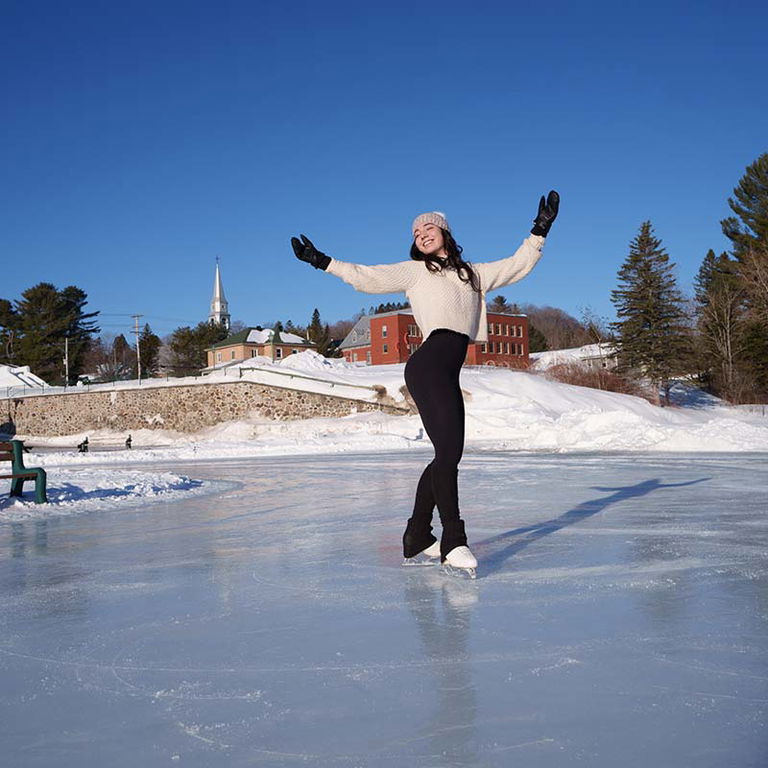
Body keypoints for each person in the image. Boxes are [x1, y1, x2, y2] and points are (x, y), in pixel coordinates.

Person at [291, 192, 559, 574]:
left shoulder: (474, 273)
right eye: (416, 231)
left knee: (447, 455)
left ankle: (418, 534)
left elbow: (517, 266)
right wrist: (323, 262)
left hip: (449, 368)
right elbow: (368, 277)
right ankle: (454, 540)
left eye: (428, 227)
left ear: (445, 232)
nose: (421, 234)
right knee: (448, 456)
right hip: (428, 363)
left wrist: (540, 230)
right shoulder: (415, 272)